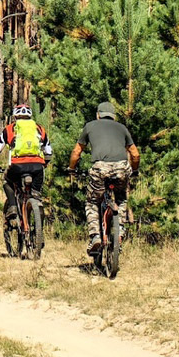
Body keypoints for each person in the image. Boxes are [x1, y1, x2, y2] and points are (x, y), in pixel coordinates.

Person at [66, 101, 140, 254]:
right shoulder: (122, 128)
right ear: (113, 116)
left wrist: (72, 169)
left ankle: (95, 237)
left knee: (92, 202)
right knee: (121, 199)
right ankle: (119, 231)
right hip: (121, 168)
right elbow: (135, 154)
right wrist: (134, 170)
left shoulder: (90, 126)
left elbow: (76, 152)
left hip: (100, 168)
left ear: (98, 115)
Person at [0, 104, 53, 230]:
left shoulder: (9, 129)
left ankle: (13, 206)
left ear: (15, 116)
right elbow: (49, 152)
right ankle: (38, 221)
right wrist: (44, 163)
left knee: (7, 182)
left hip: (17, 166)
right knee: (36, 195)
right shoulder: (39, 128)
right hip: (37, 166)